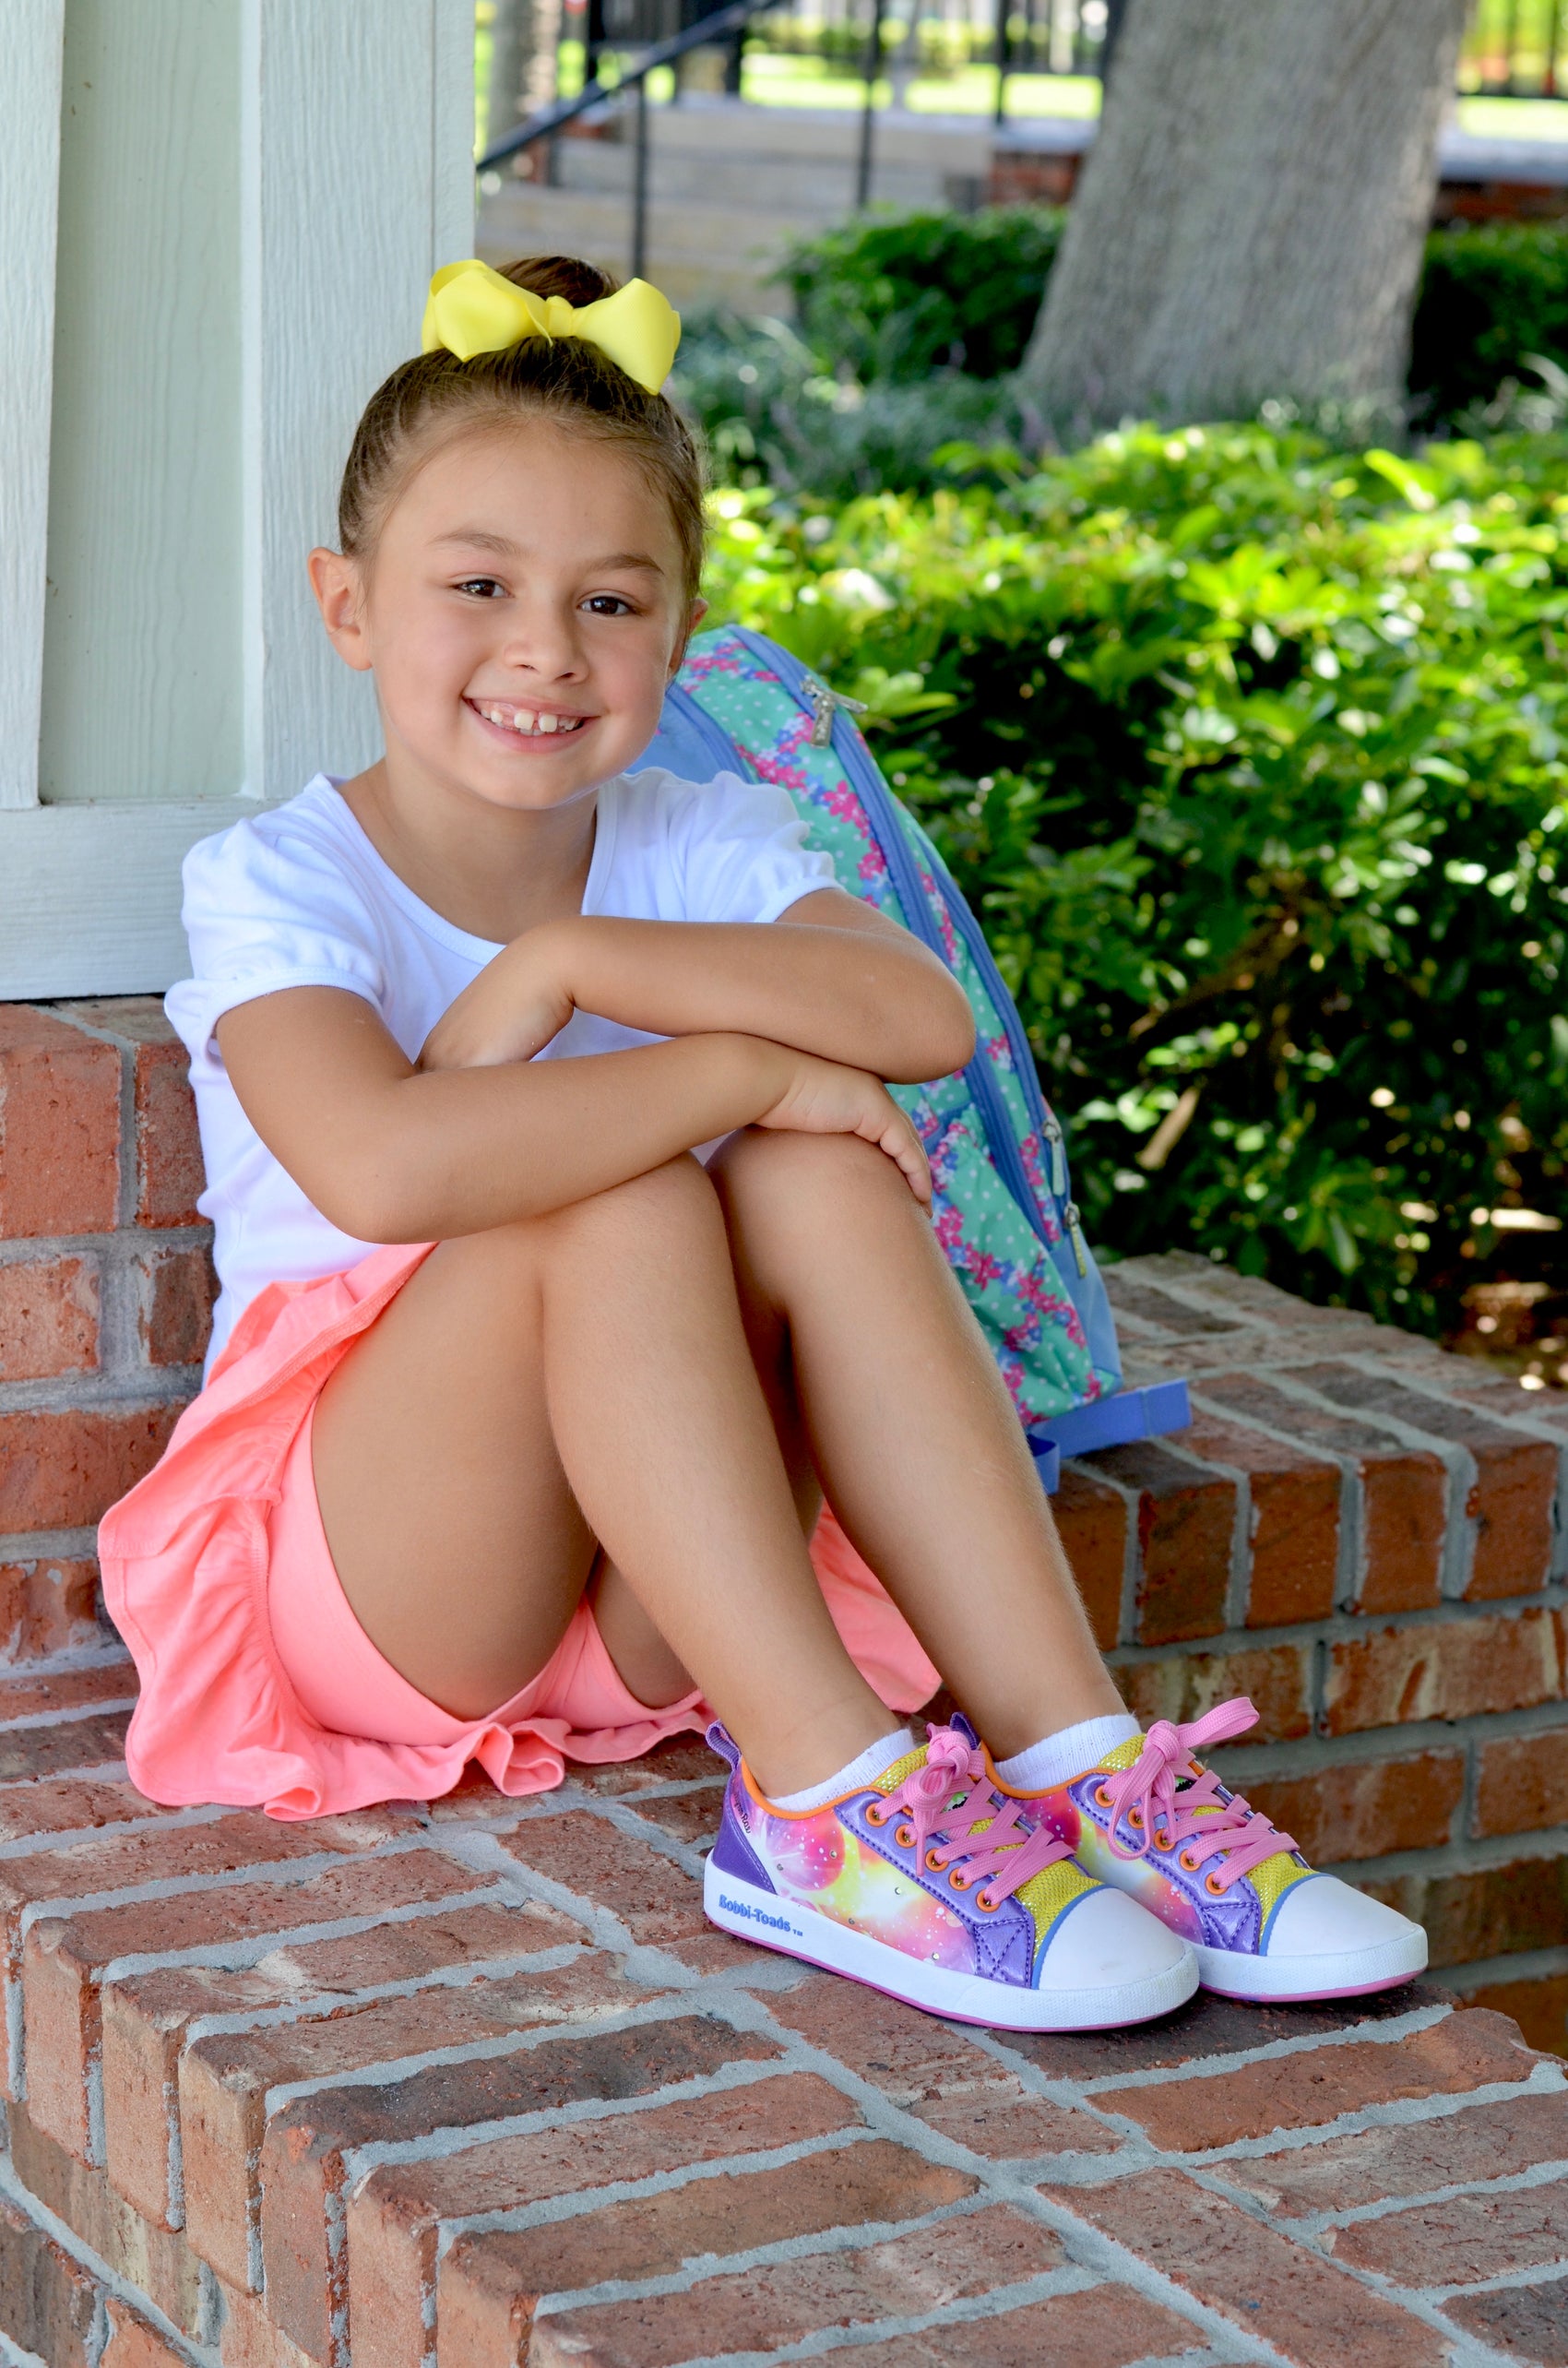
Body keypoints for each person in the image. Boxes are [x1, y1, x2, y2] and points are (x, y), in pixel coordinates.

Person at [99, 256, 1426, 2030]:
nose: (543, 652)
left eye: (613, 602)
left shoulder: (698, 834)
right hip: (387, 1581)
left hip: (658, 1597)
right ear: (347, 604)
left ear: (684, 622)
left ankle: (1074, 1762)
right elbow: (385, 1170)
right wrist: (736, 1072)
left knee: (810, 1170)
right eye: (475, 585)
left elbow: (920, 1023)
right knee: (629, 1193)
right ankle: (819, 1812)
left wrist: (571, 963)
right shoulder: (277, 878)